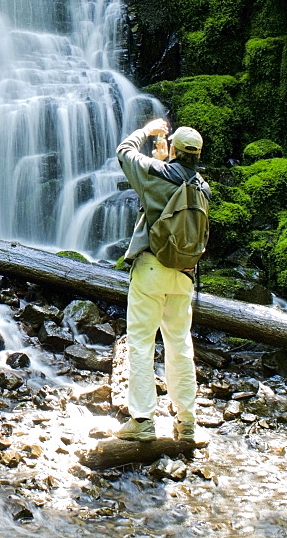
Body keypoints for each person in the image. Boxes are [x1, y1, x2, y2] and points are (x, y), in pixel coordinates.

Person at [113, 118, 211, 443]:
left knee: (141, 342)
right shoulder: (203, 188)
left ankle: (142, 421)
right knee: (180, 345)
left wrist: (149, 131)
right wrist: (162, 156)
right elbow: (175, 182)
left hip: (151, 268)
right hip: (184, 276)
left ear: (173, 149)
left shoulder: (155, 174)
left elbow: (124, 151)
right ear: (197, 155)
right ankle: (187, 424)